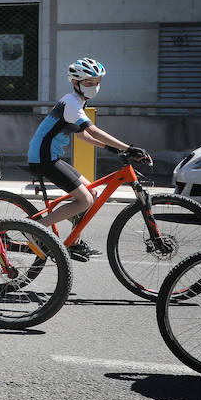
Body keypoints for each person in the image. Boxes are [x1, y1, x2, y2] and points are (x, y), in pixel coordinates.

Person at [27, 58, 147, 261]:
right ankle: (34, 230)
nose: (95, 87)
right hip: (43, 158)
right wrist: (127, 147)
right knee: (84, 199)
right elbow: (92, 130)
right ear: (76, 83)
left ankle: (74, 243)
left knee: (92, 192)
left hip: (51, 156)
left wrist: (110, 148)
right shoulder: (71, 104)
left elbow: (82, 135)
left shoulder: (76, 101)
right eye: (89, 83)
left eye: (97, 82)